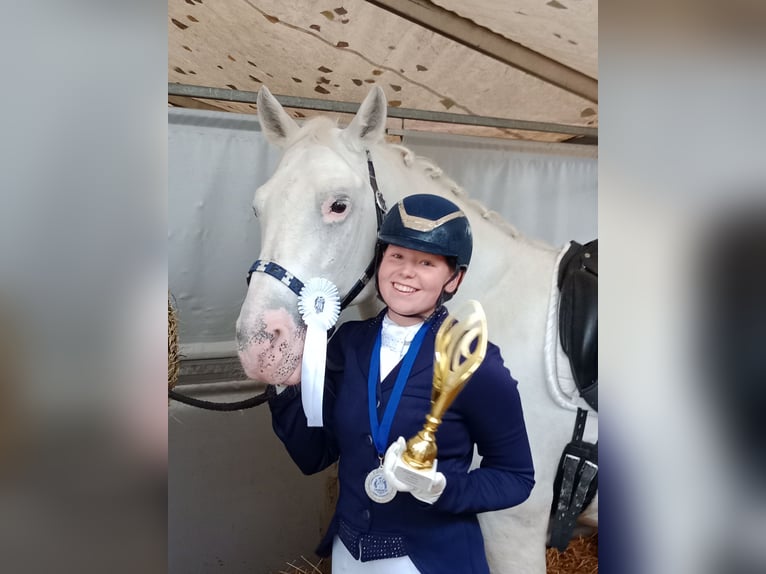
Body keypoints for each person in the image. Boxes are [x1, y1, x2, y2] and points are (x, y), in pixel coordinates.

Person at [268, 193, 534, 573]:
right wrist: (285, 383)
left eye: (426, 262)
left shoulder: (475, 361)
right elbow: (314, 456)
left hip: (431, 560)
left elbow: (516, 477)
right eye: (396, 256)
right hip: (349, 553)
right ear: (380, 261)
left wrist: (443, 488)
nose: (406, 271)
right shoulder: (348, 343)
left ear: (455, 278)